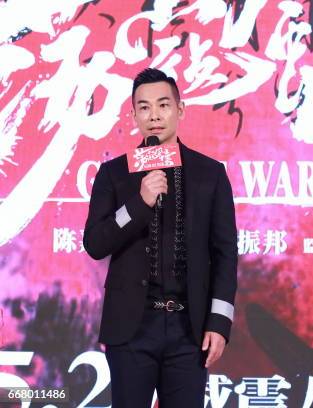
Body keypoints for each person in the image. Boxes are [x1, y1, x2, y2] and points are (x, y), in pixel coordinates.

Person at [83, 68, 237, 408]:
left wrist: (219, 321)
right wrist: (138, 203)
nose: (154, 116)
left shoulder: (210, 173)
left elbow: (226, 253)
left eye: (163, 105)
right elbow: (95, 242)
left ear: (180, 110)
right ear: (134, 114)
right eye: (145, 107)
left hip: (190, 328)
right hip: (131, 330)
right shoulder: (114, 173)